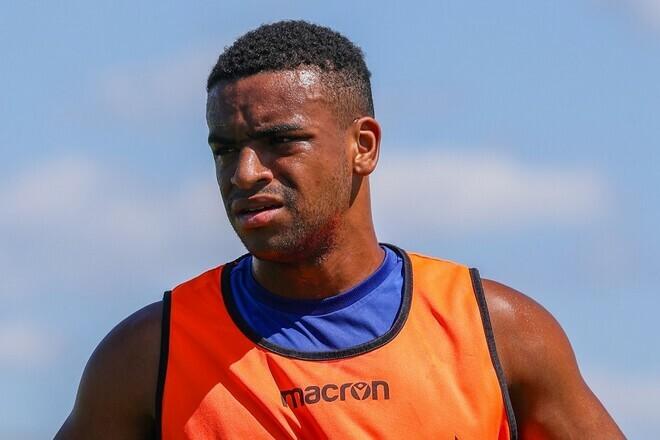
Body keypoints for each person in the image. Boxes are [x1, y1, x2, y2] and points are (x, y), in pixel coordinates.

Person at [56, 20, 624, 439]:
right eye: (225, 150)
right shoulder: (147, 355)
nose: (245, 173)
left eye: (281, 141)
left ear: (363, 146)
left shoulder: (498, 332)